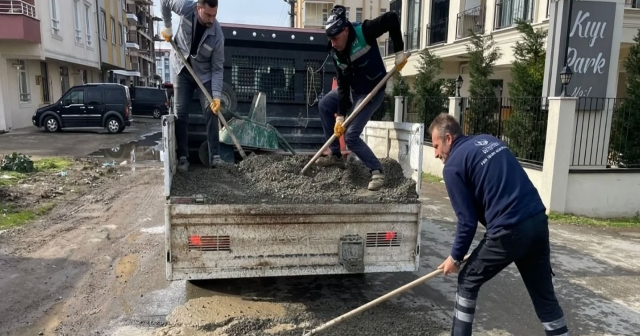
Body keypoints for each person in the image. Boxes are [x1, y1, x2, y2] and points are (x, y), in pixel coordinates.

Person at [429, 113, 570, 336]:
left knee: (467, 280)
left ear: (448, 138)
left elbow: (467, 221)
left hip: (510, 229)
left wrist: (455, 257)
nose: (436, 154)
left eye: (436, 146)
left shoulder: (453, 166)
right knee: (544, 296)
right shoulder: (490, 140)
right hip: (537, 221)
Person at [316, 5, 408, 191]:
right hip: (352, 91)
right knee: (325, 104)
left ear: (346, 30)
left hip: (372, 91)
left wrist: (399, 51)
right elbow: (342, 85)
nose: (332, 43)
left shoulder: (364, 32)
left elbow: (391, 18)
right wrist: (340, 115)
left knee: (351, 136)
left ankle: (377, 171)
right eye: (330, 39)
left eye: (335, 38)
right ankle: (336, 157)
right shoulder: (335, 52)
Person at [160, 0, 224, 172]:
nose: (212, 19)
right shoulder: (185, 7)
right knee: (180, 113)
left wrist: (216, 96)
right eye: (208, 14)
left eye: (214, 15)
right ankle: (182, 158)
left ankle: (215, 158)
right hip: (181, 67)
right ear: (198, 8)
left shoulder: (217, 35)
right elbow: (164, 1)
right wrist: (168, 27)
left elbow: (217, 69)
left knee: (212, 111)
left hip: (203, 74)